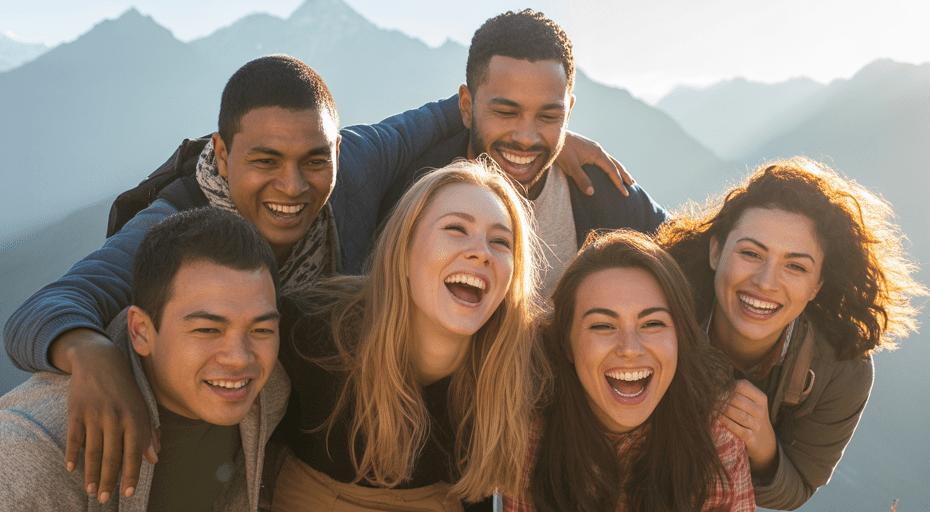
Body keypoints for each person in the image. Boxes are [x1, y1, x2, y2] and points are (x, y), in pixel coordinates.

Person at [3, 54, 623, 503]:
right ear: (221, 153)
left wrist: (537, 137)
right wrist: (91, 354)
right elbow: (51, 303)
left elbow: (442, 114)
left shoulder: (351, 163)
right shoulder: (178, 230)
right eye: (265, 160)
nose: (293, 186)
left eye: (312, 159)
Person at [267, 158, 541, 511]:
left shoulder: (521, 369)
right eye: (456, 228)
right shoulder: (311, 335)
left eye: (501, 242)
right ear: (405, 250)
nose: (481, 252)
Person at [656, 157, 926, 509]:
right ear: (715, 251)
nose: (766, 282)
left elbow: (798, 489)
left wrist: (765, 449)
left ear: (817, 286)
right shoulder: (657, 302)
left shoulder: (842, 369)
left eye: (795, 267)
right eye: (751, 253)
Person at [0, 207, 289, 511]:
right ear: (141, 331)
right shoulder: (31, 460)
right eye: (207, 329)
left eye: (261, 328)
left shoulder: (269, 393)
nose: (239, 358)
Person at [380, 9, 668, 296]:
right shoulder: (415, 193)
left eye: (547, 116)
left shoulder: (597, 190)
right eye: (506, 112)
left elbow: (688, 250)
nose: (526, 138)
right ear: (466, 107)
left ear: (567, 114)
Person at [504, 230, 754, 512]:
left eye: (652, 324)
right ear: (567, 344)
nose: (630, 349)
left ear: (680, 338)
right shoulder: (529, 436)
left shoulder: (715, 434)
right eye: (602, 326)